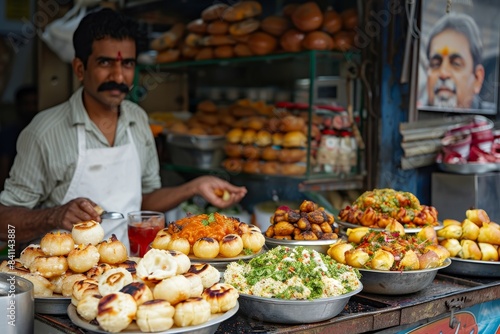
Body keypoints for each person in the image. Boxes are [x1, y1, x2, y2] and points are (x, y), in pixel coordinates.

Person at [0, 8, 247, 251]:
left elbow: (145, 199)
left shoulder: (137, 120)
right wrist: (54, 216)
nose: (118, 76)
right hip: (61, 279)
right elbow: (4, 222)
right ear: (80, 69)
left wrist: (195, 186)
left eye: (127, 64)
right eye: (105, 62)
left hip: (126, 271)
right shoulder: (44, 132)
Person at [422, 12, 494, 111]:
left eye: (456, 64)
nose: (443, 73)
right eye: (435, 64)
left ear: (477, 79)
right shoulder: (410, 116)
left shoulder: (492, 123)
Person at [0, 85, 38, 191]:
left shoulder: (48, 133)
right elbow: (4, 168)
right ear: (18, 106)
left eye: (34, 103)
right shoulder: (8, 134)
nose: (31, 108)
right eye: (26, 104)